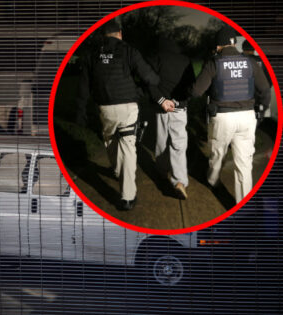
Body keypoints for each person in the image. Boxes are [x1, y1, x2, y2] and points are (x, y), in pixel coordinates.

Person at [76, 19, 174, 210]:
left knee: (110, 142)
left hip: (105, 109)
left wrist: (80, 113)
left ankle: (117, 170)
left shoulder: (92, 54)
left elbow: (83, 87)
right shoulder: (128, 50)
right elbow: (150, 77)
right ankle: (127, 197)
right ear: (120, 33)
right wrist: (151, 81)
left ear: (103, 35)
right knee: (128, 147)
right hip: (128, 108)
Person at [191, 26, 271, 203]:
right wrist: (261, 111)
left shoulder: (214, 62)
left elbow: (196, 91)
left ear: (218, 46)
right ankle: (243, 203)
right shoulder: (250, 62)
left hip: (222, 117)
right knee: (244, 164)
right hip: (247, 117)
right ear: (234, 43)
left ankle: (213, 180)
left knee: (217, 153)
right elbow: (265, 89)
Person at [148, 37, 195, 200]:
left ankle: (162, 171)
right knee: (178, 145)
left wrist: (162, 100)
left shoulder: (156, 59)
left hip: (161, 108)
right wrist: (177, 101)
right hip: (179, 107)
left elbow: (149, 82)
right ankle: (179, 182)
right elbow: (192, 86)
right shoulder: (185, 60)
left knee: (162, 141)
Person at [242, 39, 272, 121]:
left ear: (243, 49)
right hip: (259, 98)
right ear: (254, 49)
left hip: (243, 99)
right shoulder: (263, 61)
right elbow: (269, 81)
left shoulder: (239, 60)